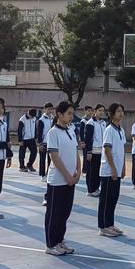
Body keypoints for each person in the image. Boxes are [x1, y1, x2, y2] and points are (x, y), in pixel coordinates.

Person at [45, 101, 81, 256]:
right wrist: (67, 175)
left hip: (70, 180)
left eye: (72, 114)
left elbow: (75, 152)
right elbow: (54, 156)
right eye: (69, 114)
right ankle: (51, 244)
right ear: (59, 114)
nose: (71, 117)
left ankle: (60, 240)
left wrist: (78, 172)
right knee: (54, 213)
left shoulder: (71, 130)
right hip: (58, 180)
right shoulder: (53, 132)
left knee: (65, 213)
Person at [98, 103, 126, 237]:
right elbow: (108, 150)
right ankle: (103, 227)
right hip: (109, 171)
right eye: (118, 111)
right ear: (112, 114)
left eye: (122, 111)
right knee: (106, 199)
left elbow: (122, 151)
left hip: (117, 170)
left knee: (113, 198)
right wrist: (114, 169)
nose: (121, 114)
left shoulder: (121, 130)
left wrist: (123, 167)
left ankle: (110, 224)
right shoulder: (109, 130)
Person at [84, 104, 106, 197]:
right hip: (93, 151)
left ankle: (96, 188)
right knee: (91, 171)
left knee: (98, 171)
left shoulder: (103, 123)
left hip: (102, 151)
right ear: (95, 111)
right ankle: (90, 190)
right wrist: (89, 152)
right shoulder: (90, 123)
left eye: (103, 111)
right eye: (99, 110)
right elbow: (88, 139)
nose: (101, 112)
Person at [37, 102, 54, 182]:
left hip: (51, 143)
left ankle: (48, 173)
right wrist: (40, 143)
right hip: (43, 143)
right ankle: (42, 175)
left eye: (51, 109)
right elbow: (39, 132)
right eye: (48, 109)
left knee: (51, 160)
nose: (50, 110)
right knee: (42, 159)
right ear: (44, 109)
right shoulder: (41, 120)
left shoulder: (53, 118)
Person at [79, 105, 93, 175]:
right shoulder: (83, 121)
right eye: (88, 111)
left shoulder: (92, 120)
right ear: (85, 111)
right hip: (85, 141)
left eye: (91, 111)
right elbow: (81, 132)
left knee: (90, 156)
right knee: (85, 156)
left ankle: (89, 169)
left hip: (91, 141)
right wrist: (82, 142)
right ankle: (84, 170)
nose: (90, 112)